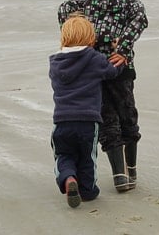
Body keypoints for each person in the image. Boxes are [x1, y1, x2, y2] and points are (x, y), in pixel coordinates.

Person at [58, 0, 148, 192]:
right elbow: (141, 19)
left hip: (94, 66)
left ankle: (118, 176)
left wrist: (80, 38)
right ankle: (132, 171)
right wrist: (124, 48)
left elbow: (64, 8)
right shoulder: (132, 2)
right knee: (128, 115)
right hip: (121, 67)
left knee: (107, 119)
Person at [49, 16, 123, 208]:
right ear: (91, 40)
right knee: (87, 157)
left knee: (64, 155)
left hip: (62, 121)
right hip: (88, 120)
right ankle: (88, 191)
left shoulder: (55, 63)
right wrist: (120, 57)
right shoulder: (95, 59)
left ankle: (68, 179)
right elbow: (111, 71)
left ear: (64, 38)